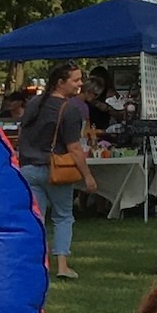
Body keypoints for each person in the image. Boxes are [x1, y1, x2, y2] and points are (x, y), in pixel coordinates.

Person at [13, 59, 98, 281]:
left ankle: (34, 263)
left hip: (29, 168)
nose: (80, 84)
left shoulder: (33, 103)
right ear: (61, 82)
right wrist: (87, 176)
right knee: (63, 217)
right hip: (56, 170)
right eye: (76, 80)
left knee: (36, 218)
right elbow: (75, 148)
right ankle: (62, 264)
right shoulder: (69, 111)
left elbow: (21, 136)